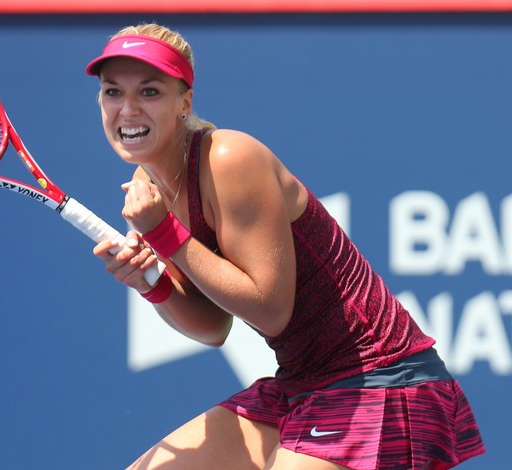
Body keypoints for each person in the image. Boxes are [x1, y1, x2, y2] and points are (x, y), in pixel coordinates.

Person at [85, 23, 485, 470]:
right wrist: (151, 284)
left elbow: (270, 309)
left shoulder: (228, 158)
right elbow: (214, 327)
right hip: (303, 385)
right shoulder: (149, 186)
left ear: (185, 102)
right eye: (112, 92)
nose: (128, 109)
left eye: (150, 92)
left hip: (382, 380)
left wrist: (165, 236)